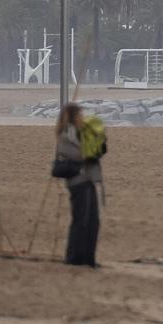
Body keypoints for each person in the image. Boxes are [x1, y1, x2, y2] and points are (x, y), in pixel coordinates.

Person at [55, 103, 103, 267]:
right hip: (78, 182)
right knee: (80, 222)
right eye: (80, 115)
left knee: (93, 222)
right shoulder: (67, 135)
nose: (82, 118)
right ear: (73, 117)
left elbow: (96, 151)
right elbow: (75, 154)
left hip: (88, 180)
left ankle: (88, 259)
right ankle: (74, 258)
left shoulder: (81, 132)